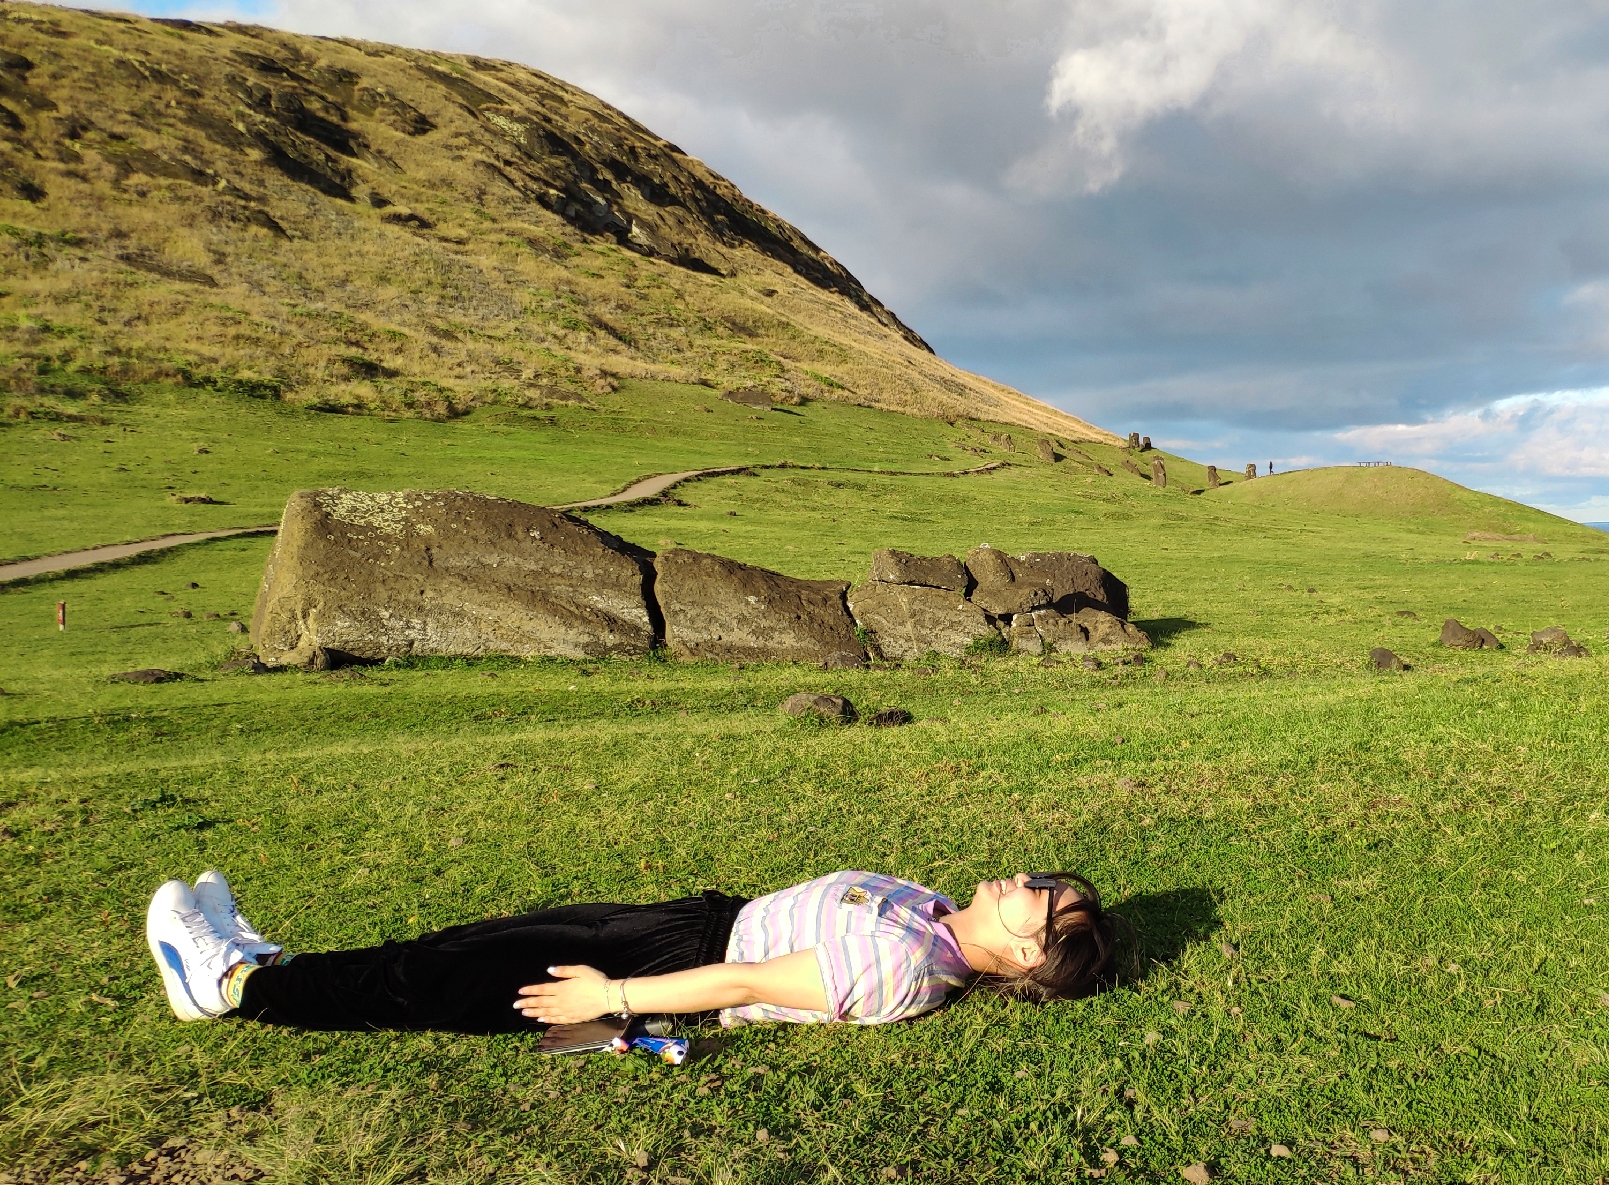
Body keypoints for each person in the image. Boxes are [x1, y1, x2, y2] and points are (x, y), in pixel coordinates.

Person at [145, 868, 1132, 1032]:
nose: (1031, 890)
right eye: (1046, 884)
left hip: (672, 959)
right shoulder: (931, 911)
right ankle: (271, 968)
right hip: (690, 919)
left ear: (1021, 962)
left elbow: (747, 982)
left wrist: (612, 996)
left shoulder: (903, 966)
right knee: (468, 943)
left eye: (1042, 912)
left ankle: (227, 987)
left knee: (442, 982)